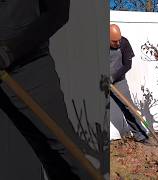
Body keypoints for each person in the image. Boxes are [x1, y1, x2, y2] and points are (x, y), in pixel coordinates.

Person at [0, 0, 99, 179]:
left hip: (28, 66)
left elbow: (59, 13)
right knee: (39, 149)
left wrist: (10, 51)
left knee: (64, 147)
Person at [109, 24, 150, 144]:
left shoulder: (124, 43)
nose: (117, 43)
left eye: (118, 40)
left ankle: (141, 135)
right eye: (114, 41)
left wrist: (113, 77)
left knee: (129, 108)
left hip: (118, 81)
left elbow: (128, 65)